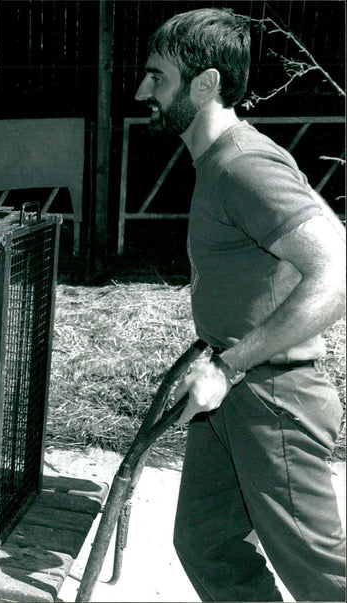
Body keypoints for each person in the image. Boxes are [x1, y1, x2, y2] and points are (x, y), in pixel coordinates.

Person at [135, 8, 346, 601]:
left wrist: (230, 366)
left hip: (272, 395)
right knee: (207, 543)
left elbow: (337, 274)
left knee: (322, 575)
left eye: (157, 77)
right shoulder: (224, 159)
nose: (140, 90)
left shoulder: (241, 164)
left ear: (204, 84)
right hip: (230, 391)